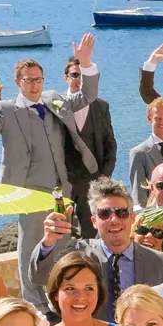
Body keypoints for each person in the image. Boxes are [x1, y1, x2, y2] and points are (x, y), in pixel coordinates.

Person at [0, 33, 99, 310]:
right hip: (28, 190)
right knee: (31, 247)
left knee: (63, 244)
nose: (35, 85)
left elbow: (87, 95)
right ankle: (35, 304)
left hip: (61, 190)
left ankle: (58, 299)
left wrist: (87, 64)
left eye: (38, 79)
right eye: (29, 80)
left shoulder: (53, 99)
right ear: (18, 82)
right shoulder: (5, 109)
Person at [32, 178, 163, 321]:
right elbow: (40, 276)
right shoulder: (78, 253)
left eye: (121, 212)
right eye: (105, 214)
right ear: (94, 221)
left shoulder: (161, 263)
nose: (114, 220)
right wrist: (49, 240)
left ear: (132, 217)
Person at [57, 54, 117, 238]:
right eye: (75, 75)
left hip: (92, 179)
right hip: (63, 180)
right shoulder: (55, 105)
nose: (80, 80)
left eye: (84, 75)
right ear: (66, 77)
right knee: (61, 229)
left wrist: (104, 175)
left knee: (91, 232)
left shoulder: (101, 107)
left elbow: (110, 142)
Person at [127, 98, 163, 205]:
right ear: (149, 118)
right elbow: (138, 194)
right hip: (155, 215)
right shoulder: (138, 153)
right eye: (158, 118)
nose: (162, 122)